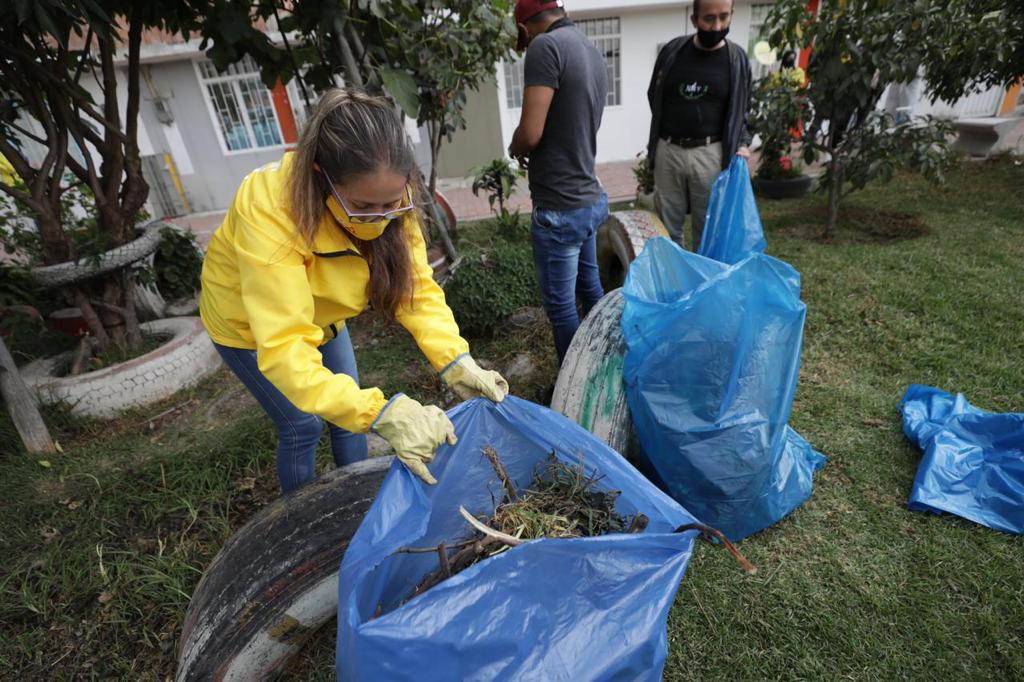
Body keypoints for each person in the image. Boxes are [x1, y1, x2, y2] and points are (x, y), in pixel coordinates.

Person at [199, 89, 509, 493]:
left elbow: (414, 291)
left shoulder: (390, 194)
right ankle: (302, 518)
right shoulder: (270, 208)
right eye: (364, 207)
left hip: (325, 319)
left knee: (350, 416)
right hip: (250, 327)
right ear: (318, 175)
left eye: (392, 205)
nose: (381, 220)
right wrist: (383, 413)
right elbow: (286, 345)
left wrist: (456, 361)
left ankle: (358, 501)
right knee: (303, 425)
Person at [508, 0, 608, 366]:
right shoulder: (589, 48)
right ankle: (606, 365)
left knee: (562, 307)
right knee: (592, 290)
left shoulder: (544, 47)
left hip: (561, 207)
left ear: (524, 25)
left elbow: (531, 134)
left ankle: (576, 390)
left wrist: (514, 145)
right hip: (588, 197)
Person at [646, 0, 753, 251]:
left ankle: (705, 285)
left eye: (724, 18)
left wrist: (742, 142)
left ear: (732, 15)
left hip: (711, 153)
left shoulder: (736, 59)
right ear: (694, 20)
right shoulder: (673, 51)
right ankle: (673, 283)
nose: (717, 25)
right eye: (709, 19)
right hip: (668, 149)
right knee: (666, 227)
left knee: (708, 229)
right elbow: (654, 93)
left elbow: (743, 107)